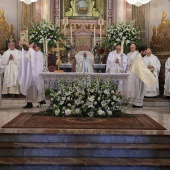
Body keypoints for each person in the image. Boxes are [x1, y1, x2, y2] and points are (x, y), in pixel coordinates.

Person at [18, 43, 46, 108]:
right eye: (33, 47)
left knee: (39, 88)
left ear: (39, 48)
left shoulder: (39, 54)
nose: (34, 48)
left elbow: (34, 59)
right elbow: (27, 56)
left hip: (38, 74)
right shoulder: (34, 53)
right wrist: (25, 48)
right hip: (32, 74)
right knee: (30, 87)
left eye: (35, 47)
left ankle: (41, 101)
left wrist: (30, 48)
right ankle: (29, 102)